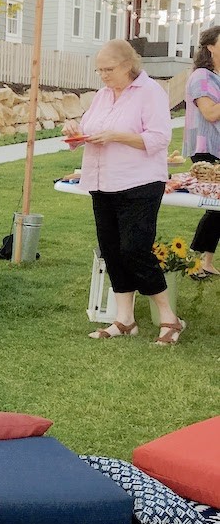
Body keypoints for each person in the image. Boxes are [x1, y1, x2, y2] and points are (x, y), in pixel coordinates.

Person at [61, 39, 182, 344]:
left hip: (139, 182)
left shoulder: (151, 92)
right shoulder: (103, 96)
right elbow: (91, 133)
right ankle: (125, 319)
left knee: (135, 250)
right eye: (99, 69)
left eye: (108, 69)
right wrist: (76, 135)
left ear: (128, 65)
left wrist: (117, 136)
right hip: (102, 182)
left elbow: (158, 138)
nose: (103, 75)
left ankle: (170, 319)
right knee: (112, 251)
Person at [182, 25, 220, 279]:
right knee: (215, 206)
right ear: (210, 46)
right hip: (207, 148)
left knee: (217, 207)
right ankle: (198, 261)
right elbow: (209, 113)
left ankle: (205, 261)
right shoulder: (201, 77)